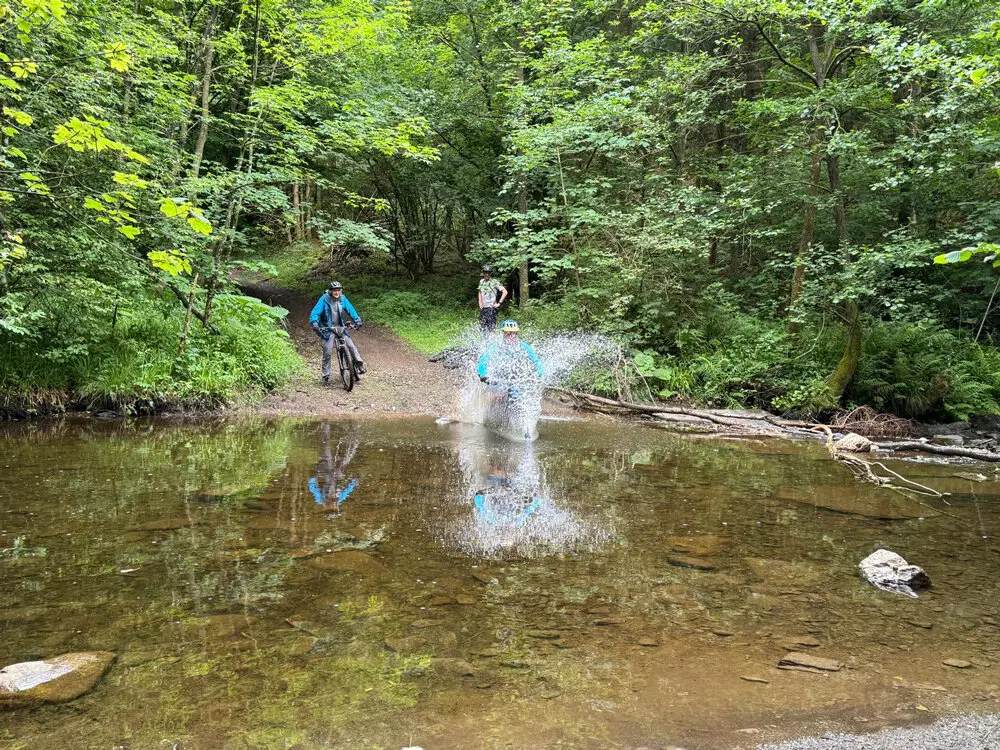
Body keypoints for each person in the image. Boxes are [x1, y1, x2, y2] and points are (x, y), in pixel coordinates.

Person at [309, 281, 365, 386]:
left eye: (339, 290)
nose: (337, 292)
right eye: (335, 290)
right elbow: (315, 313)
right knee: (327, 351)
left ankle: (359, 365)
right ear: (330, 291)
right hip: (328, 329)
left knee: (351, 346)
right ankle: (326, 376)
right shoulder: (324, 299)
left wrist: (357, 320)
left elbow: (350, 309)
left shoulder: (342, 299)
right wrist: (315, 323)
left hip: (340, 327)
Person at [308, 422, 359, 519]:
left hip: (325, 470)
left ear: (325, 508)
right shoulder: (340, 498)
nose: (334, 507)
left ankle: (325, 424)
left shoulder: (320, 498)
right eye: (336, 509)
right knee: (347, 456)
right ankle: (350, 436)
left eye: (331, 509)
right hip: (337, 474)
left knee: (325, 446)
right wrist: (353, 481)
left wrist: (312, 478)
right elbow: (347, 490)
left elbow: (313, 487)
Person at [477, 319, 543, 384]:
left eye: (514, 333)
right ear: (503, 333)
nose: (511, 336)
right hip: (499, 377)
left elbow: (536, 361)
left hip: (516, 377)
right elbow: (483, 361)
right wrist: (483, 374)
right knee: (498, 393)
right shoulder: (496, 346)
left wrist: (540, 374)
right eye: (508, 334)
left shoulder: (523, 346)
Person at [477, 265, 508, 333]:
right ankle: (485, 342)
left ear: (491, 273)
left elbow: (505, 292)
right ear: (483, 273)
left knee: (492, 328)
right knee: (482, 327)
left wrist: (499, 303)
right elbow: (479, 291)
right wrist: (480, 302)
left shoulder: (494, 282)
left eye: (488, 272)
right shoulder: (481, 281)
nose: (487, 274)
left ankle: (493, 342)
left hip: (491, 308)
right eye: (485, 272)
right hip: (484, 308)